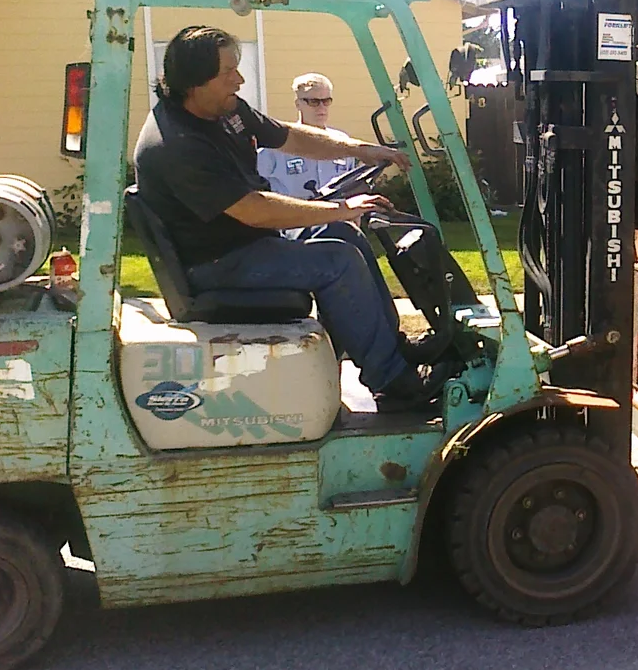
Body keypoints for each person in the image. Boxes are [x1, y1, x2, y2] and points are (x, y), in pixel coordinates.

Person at [133, 25, 440, 408]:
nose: (239, 80)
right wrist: (343, 207)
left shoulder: (224, 112)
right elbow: (255, 210)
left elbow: (289, 136)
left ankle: (394, 349)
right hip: (216, 263)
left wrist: (360, 150)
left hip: (244, 244)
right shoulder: (178, 145)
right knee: (338, 260)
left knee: (344, 235)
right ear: (195, 82)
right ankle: (394, 383)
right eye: (228, 72)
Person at [256, 73, 357, 207]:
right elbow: (252, 185)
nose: (321, 107)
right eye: (314, 102)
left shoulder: (342, 141)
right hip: (292, 217)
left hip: (335, 216)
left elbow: (351, 185)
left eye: (326, 101)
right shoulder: (278, 142)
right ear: (298, 104)